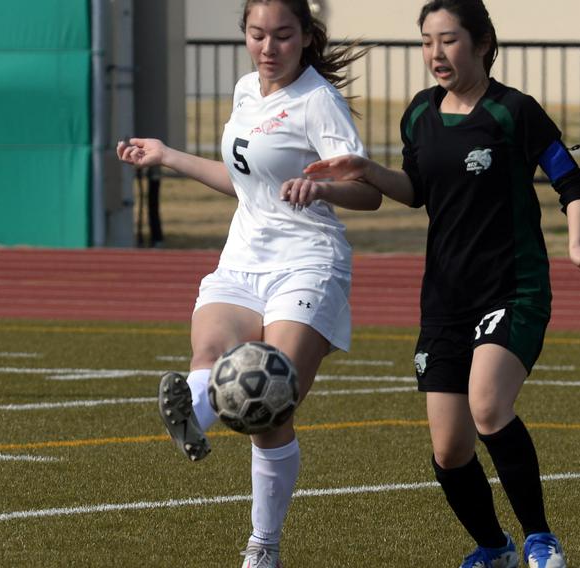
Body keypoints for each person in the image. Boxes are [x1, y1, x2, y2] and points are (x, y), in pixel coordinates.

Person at [303, 1, 580, 566]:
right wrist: (365, 171)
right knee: (449, 450)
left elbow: (571, 181)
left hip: (512, 288)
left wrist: (576, 244)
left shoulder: (514, 111)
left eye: (448, 41)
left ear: (482, 43)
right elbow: (416, 189)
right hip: (445, 297)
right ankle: (495, 549)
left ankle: (542, 539)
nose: (435, 54)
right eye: (426, 41)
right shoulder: (420, 113)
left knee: (488, 404)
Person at [117, 1, 380, 567]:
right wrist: (166, 155)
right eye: (258, 35)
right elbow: (242, 183)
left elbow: (369, 191)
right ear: (246, 36)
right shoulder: (244, 90)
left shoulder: (319, 102)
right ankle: (195, 415)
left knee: (271, 403)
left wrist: (326, 189)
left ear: (306, 38)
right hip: (243, 258)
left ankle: (263, 545)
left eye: (283, 36)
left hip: (308, 262)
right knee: (209, 350)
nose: (268, 48)